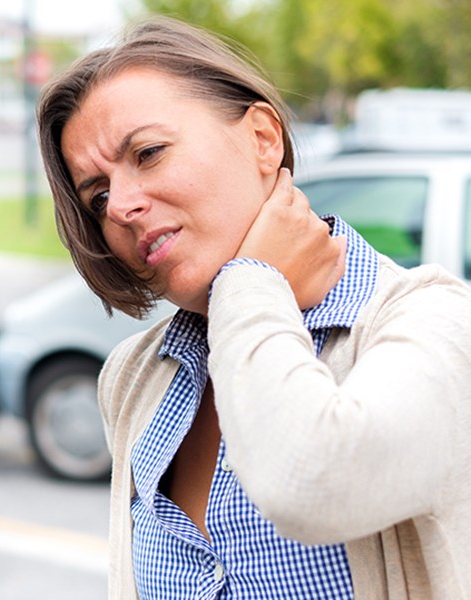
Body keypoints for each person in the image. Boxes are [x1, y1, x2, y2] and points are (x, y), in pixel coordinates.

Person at [37, 16, 471, 599]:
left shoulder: (435, 321)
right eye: (99, 195)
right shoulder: (134, 377)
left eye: (148, 152)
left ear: (263, 139)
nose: (121, 206)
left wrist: (252, 280)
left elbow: (313, 483)